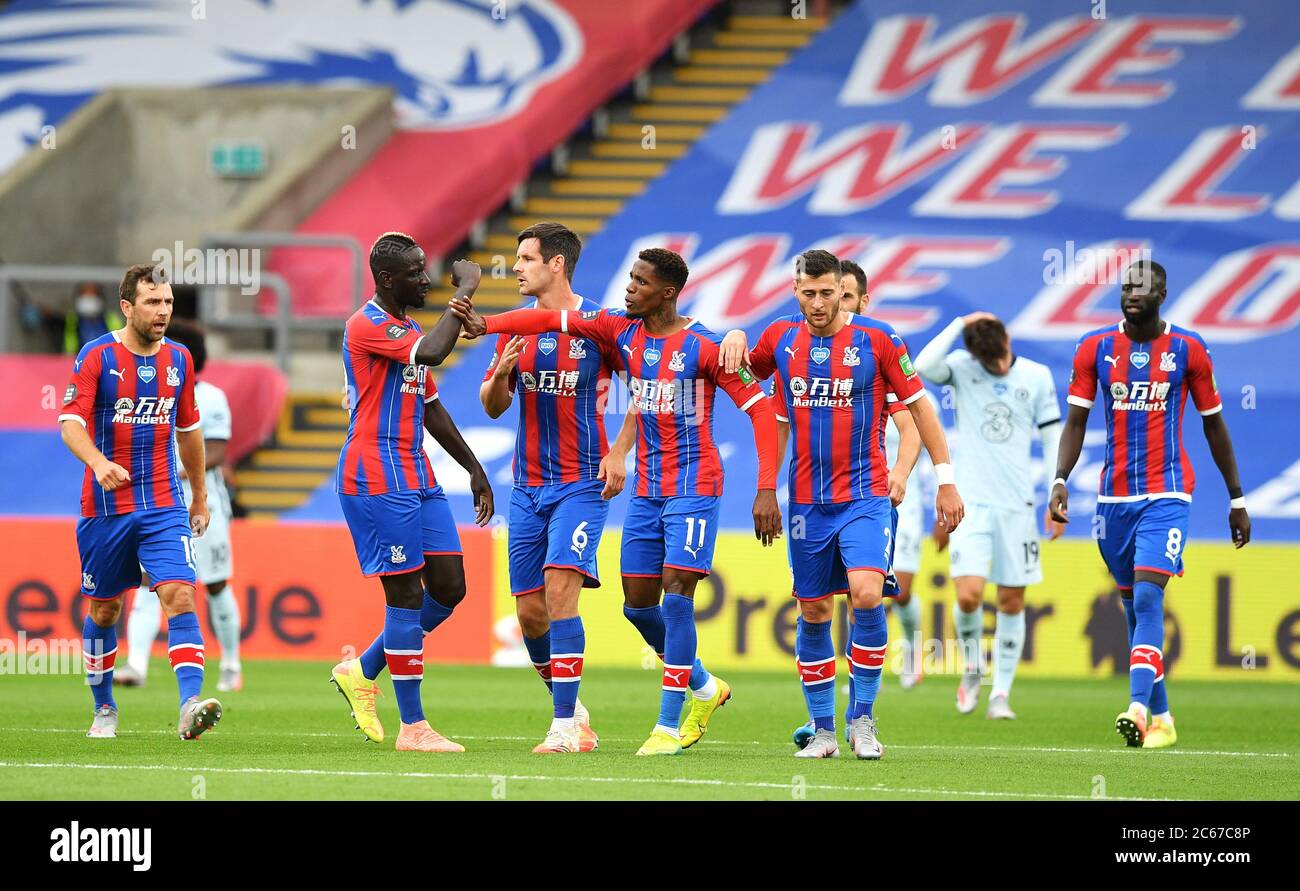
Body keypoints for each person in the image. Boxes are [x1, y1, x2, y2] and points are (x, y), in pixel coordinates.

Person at [453, 247, 782, 756]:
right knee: (637, 606)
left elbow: (761, 411)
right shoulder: (618, 331)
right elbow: (548, 317)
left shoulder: (707, 347)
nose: (628, 287)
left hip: (694, 485)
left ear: (667, 293)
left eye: (639, 281)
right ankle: (703, 686)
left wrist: (765, 487)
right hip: (646, 491)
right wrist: (488, 324)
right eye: (629, 277)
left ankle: (666, 728)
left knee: (676, 599)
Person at [736, 249, 964, 759]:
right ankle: (822, 732)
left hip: (865, 495)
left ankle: (862, 720)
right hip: (805, 502)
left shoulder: (878, 339)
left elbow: (920, 410)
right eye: (808, 293)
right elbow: (741, 380)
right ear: (795, 291)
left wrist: (943, 480)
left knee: (866, 593)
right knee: (814, 609)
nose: (818, 303)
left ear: (845, 291)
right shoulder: (778, 338)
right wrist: (731, 337)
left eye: (828, 293)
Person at [1051, 260, 1249, 748]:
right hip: (1112, 497)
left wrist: (1237, 498)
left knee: (1147, 596)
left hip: (1168, 491)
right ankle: (1163, 719)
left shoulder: (1189, 349)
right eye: (1125, 286)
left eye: (1143, 286)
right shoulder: (1095, 348)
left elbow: (1214, 425)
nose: (1132, 293)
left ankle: (1137, 708)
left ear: (1162, 293)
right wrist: (1060, 479)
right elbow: (1076, 422)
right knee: (1132, 610)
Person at [326, 232, 484, 753]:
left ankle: (363, 669)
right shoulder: (367, 324)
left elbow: (431, 405)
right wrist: (466, 292)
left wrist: (473, 467)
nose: (426, 279)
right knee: (406, 593)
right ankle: (413, 728)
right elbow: (437, 352)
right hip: (375, 471)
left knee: (450, 587)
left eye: (428, 269)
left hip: (416, 471)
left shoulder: (407, 327)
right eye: (417, 272)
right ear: (389, 279)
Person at [58, 264, 221, 741]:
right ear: (128, 307)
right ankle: (104, 707)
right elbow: (70, 421)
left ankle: (191, 704)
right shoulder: (95, 356)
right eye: (153, 302)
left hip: (164, 503)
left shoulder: (180, 360)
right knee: (105, 610)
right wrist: (97, 462)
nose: (163, 311)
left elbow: (189, 431)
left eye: (168, 302)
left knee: (180, 593)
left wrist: (200, 495)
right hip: (106, 508)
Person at [479, 222, 611, 754]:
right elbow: (492, 405)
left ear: (556, 264)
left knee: (560, 591)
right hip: (527, 485)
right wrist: (499, 377)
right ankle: (571, 704)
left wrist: (619, 449)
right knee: (530, 613)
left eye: (527, 259)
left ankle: (562, 727)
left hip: (581, 484)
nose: (516, 267)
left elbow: (646, 381)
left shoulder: (599, 324)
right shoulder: (517, 331)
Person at [914, 311, 1065, 720]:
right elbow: (922, 366)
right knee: (968, 595)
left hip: (1018, 506)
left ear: (1008, 342)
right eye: (989, 362)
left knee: (1012, 600)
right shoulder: (962, 368)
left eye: (1000, 358)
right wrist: (958, 322)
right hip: (971, 504)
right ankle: (972, 669)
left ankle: (1001, 693)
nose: (998, 367)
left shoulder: (1036, 377)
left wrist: (1057, 492)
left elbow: (1054, 439)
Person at [115, 321, 244, 692]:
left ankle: (232, 665)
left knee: (216, 584)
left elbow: (216, 453)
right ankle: (136, 664)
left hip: (203, 503)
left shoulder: (212, 397)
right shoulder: (149, 392)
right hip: (156, 504)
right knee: (146, 581)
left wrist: (168, 472)